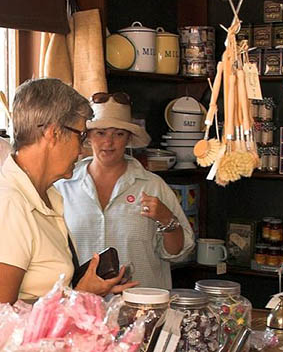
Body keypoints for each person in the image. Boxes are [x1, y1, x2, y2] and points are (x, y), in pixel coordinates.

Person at [0, 78, 135, 304]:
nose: (82, 151)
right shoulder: (10, 203)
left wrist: (79, 293)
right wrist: (81, 296)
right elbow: (3, 320)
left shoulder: (48, 195)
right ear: (53, 133)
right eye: (80, 136)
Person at [55, 92, 195, 289]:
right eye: (101, 133)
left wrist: (167, 220)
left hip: (141, 310)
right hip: (82, 312)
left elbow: (179, 253)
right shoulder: (63, 186)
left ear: (129, 139)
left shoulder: (153, 186)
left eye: (118, 134)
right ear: (88, 137)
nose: (108, 142)